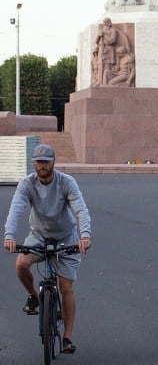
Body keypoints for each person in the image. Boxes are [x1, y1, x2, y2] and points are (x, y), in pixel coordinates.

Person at [3, 144, 92, 354]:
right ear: (34, 163)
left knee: (65, 287)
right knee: (21, 264)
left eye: (46, 161)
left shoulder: (66, 182)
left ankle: (68, 337)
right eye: (39, 162)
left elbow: (80, 208)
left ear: (53, 162)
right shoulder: (27, 184)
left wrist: (85, 236)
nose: (42, 166)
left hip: (66, 237)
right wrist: (9, 235)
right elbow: (16, 209)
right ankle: (34, 295)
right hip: (39, 236)